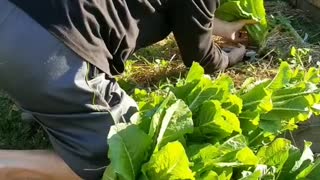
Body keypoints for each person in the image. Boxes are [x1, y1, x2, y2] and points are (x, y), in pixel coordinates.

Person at [0, 0, 255, 179]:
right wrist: (233, 56)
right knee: (125, 151)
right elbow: (202, 60)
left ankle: (50, 108)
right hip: (48, 50)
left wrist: (210, 23)